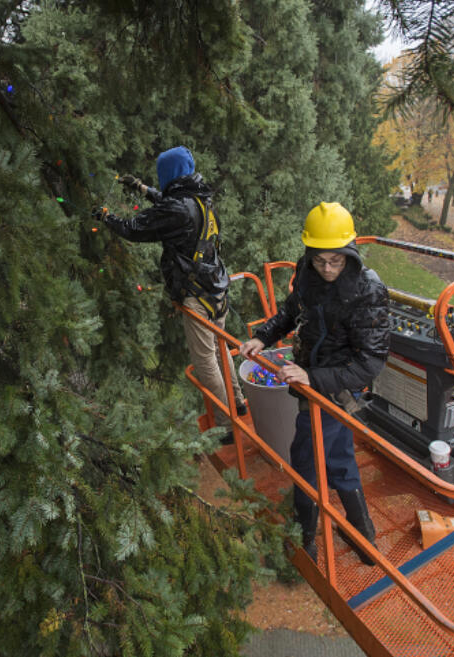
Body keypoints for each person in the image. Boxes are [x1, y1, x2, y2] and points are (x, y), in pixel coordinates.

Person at [238, 202, 390, 564]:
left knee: (306, 458)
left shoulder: (367, 291)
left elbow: (370, 362)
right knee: (338, 457)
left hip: (335, 385)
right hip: (313, 379)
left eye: (335, 261)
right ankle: (363, 537)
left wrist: (313, 377)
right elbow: (293, 311)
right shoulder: (308, 273)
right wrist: (264, 336)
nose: (327, 269)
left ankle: (304, 540)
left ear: (349, 253)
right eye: (320, 260)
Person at [93, 146, 247, 440]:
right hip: (216, 288)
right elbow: (172, 204)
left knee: (205, 362)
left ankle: (228, 427)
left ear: (169, 175)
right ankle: (238, 404)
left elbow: (135, 228)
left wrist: (106, 218)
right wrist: (141, 188)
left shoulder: (177, 209)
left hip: (197, 294)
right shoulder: (201, 196)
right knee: (220, 348)